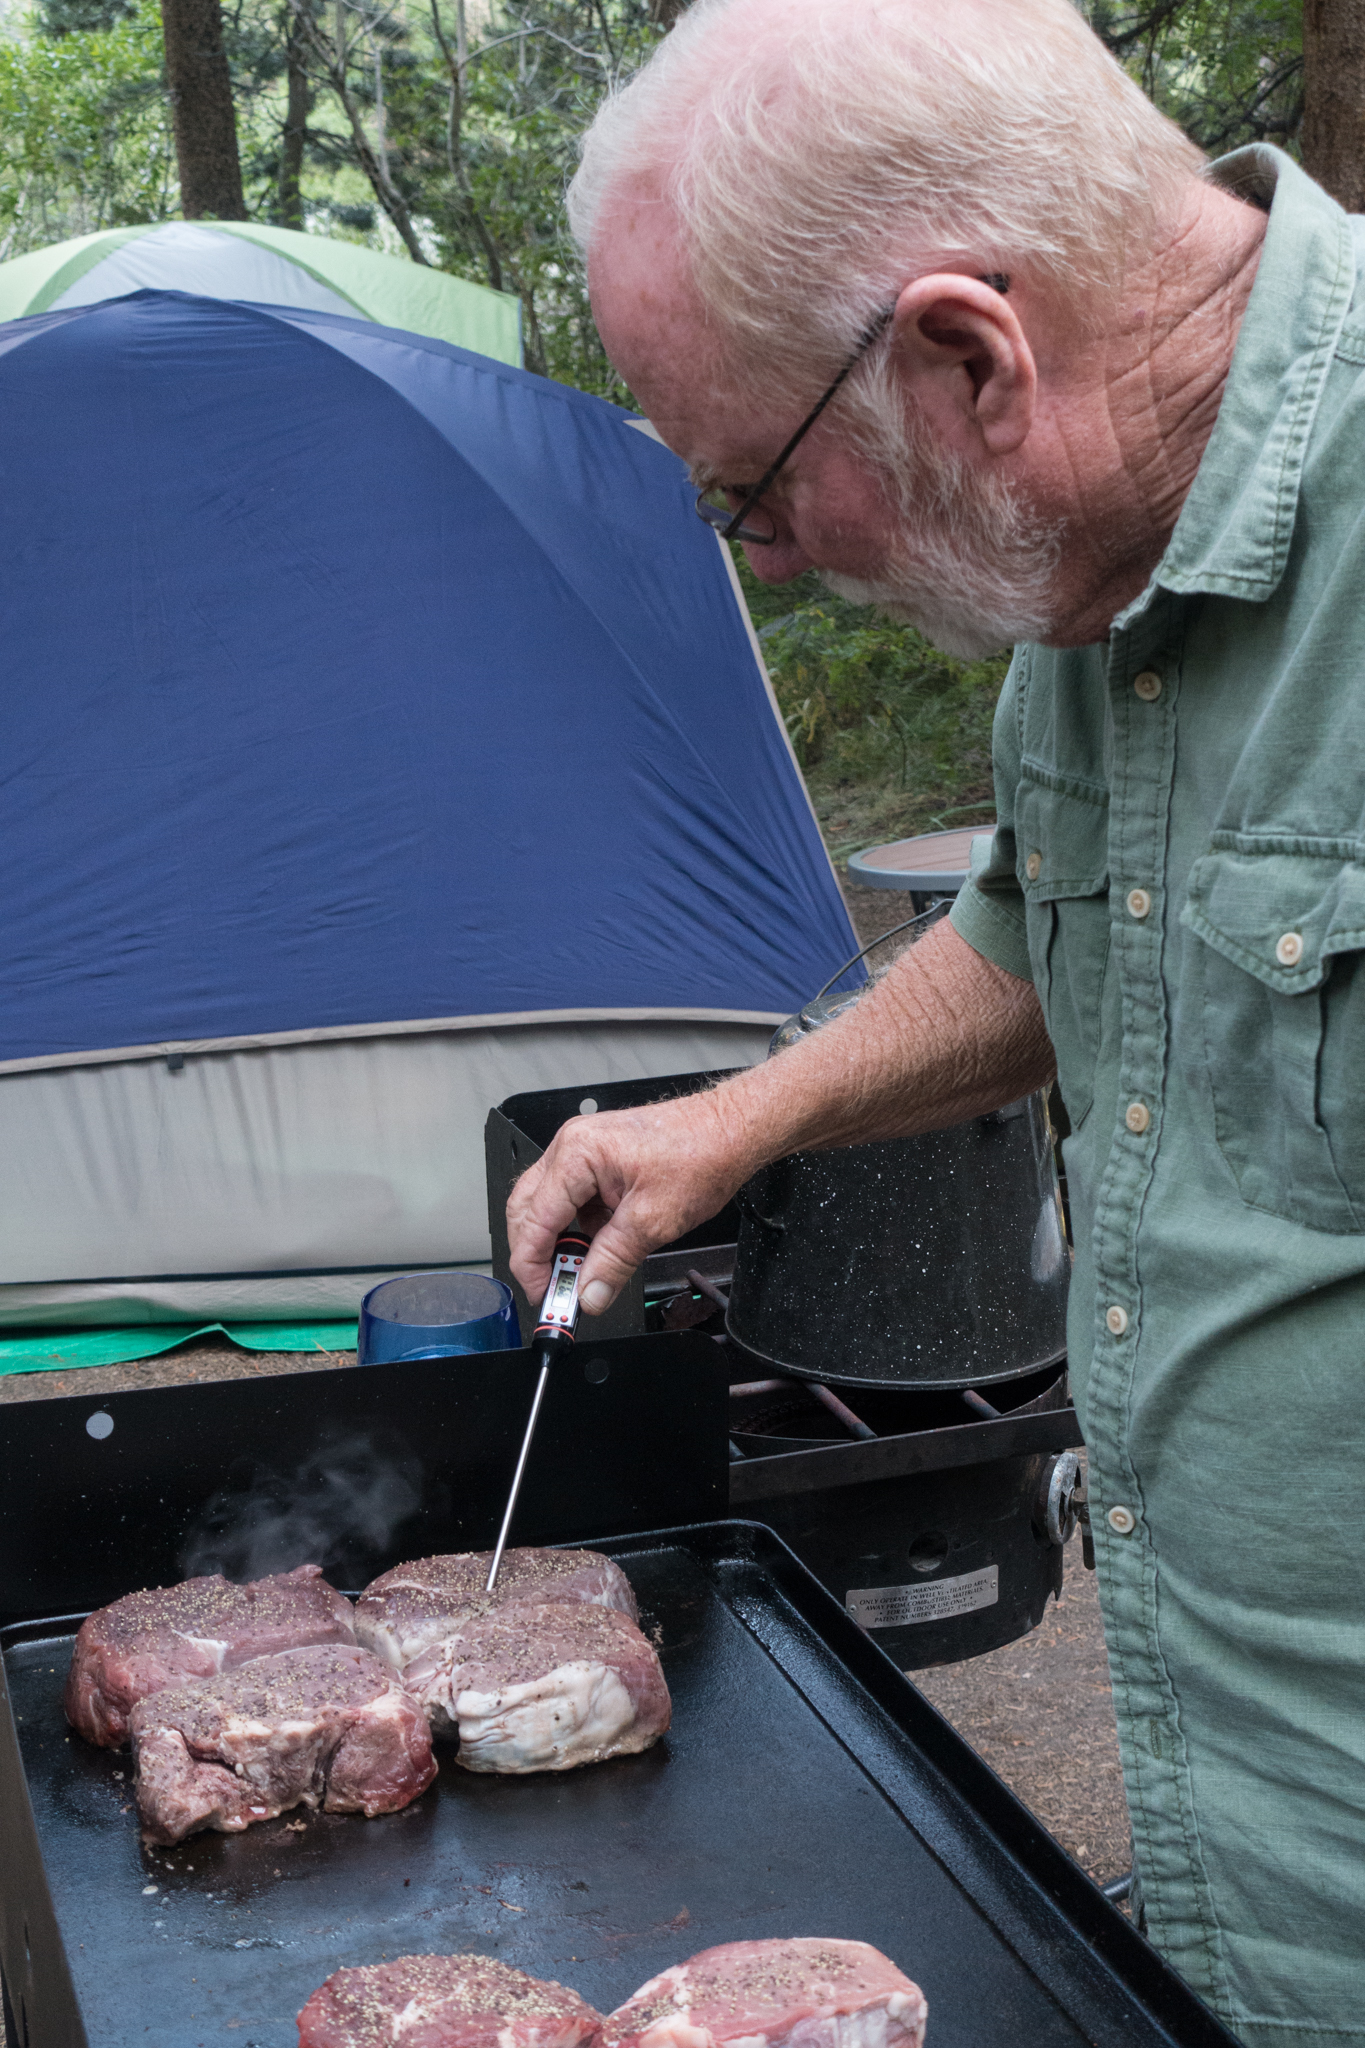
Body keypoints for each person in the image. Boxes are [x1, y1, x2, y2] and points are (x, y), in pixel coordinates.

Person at [505, 2, 1365, 2038]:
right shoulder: (1078, 563)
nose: (776, 567)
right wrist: (745, 1117)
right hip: (1241, 1863)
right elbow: (1038, 929)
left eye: (755, 494)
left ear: (966, 357)